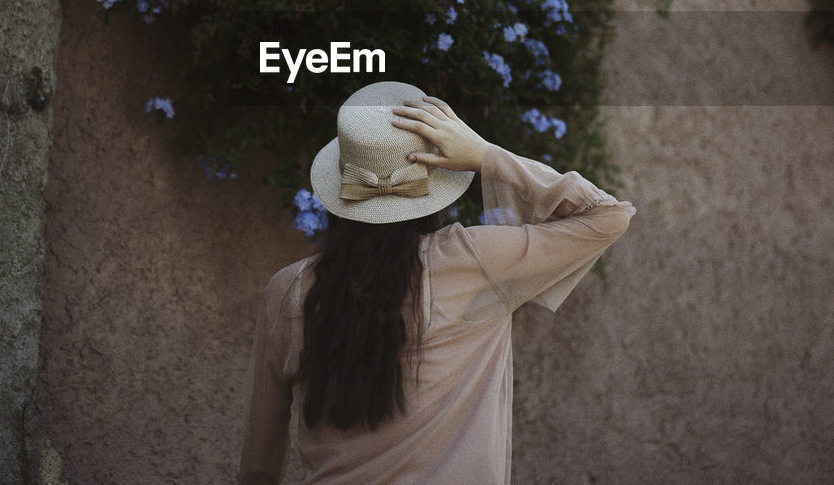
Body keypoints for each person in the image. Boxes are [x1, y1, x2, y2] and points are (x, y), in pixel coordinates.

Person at [238, 81, 634, 484]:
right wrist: (485, 155)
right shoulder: (474, 260)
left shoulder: (286, 291)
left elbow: (257, 467)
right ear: (431, 180)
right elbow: (607, 215)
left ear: (342, 185)